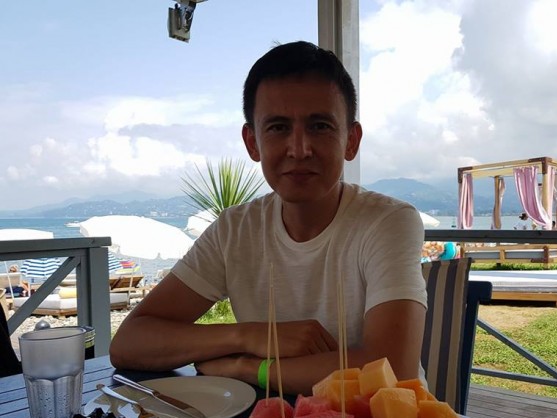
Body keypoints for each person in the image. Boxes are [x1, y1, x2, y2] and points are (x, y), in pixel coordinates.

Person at [110, 41, 428, 395]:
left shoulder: (387, 221)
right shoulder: (234, 230)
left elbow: (392, 368)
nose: (299, 149)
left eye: (320, 126)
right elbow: (129, 342)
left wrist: (251, 368)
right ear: (252, 142)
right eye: (278, 127)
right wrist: (250, 335)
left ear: (351, 141)